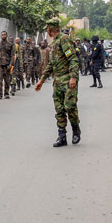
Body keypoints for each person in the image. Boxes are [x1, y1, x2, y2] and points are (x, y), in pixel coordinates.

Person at [35, 19, 80, 147]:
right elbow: (51, 64)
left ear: (50, 29)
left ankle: (76, 130)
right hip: (58, 81)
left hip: (67, 79)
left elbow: (73, 59)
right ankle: (62, 136)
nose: (47, 31)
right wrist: (42, 80)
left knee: (70, 106)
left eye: (47, 29)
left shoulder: (64, 39)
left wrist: (73, 77)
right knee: (59, 109)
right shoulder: (54, 43)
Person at [0, 31, 14, 99]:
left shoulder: (10, 44)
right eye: (2, 35)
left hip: (7, 65)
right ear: (1, 36)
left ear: (6, 35)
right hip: (0, 65)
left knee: (7, 80)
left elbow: (12, 55)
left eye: (4, 34)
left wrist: (11, 64)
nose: (3, 36)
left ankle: (6, 93)